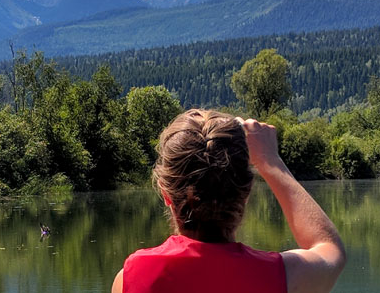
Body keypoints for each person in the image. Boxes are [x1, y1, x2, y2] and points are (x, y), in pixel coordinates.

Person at [112, 109, 346, 293]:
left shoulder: (131, 278)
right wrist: (269, 161)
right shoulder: (281, 277)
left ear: (165, 194)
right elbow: (331, 250)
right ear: (246, 192)